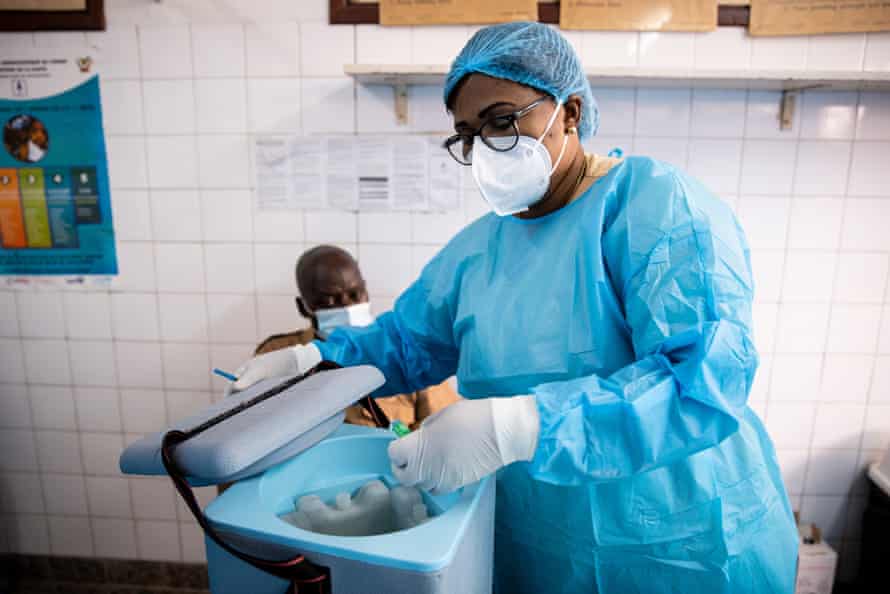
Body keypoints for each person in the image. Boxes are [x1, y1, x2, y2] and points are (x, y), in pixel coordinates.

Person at [231, 22, 798, 593]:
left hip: (679, 545)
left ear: (568, 111)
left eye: (502, 121)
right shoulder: (479, 249)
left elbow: (701, 381)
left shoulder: (654, 207)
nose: (484, 147)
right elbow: (406, 344)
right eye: (467, 134)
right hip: (540, 544)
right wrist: (311, 363)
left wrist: (519, 426)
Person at [248, 244, 460, 429]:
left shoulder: (405, 349)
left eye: (354, 294)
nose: (348, 307)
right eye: (330, 300)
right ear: (303, 307)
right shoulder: (279, 356)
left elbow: (442, 427)